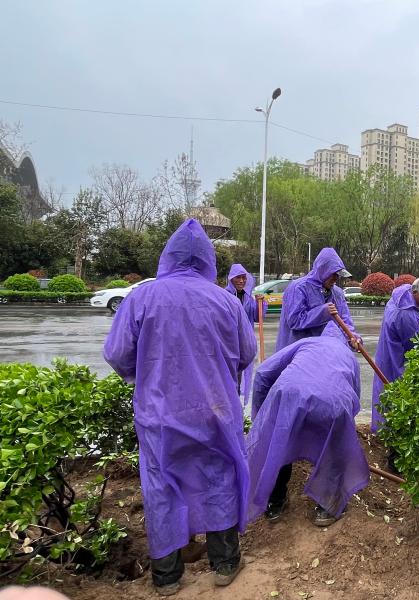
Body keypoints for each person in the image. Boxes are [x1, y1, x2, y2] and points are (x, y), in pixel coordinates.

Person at [103, 219, 256, 596]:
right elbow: (247, 353)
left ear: (166, 256)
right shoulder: (226, 301)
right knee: (218, 478)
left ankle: (167, 577)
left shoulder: (140, 298)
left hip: (160, 413)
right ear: (208, 260)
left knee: (162, 485)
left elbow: (118, 354)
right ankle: (224, 564)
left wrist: (144, 374)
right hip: (215, 411)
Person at [247, 321, 369, 527]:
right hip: (333, 402)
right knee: (335, 447)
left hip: (289, 393)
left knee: (280, 442)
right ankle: (327, 507)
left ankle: (275, 503)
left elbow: (262, 374)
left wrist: (262, 413)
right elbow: (353, 400)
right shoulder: (348, 355)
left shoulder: (308, 343)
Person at [371, 277, 419, 432]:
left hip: (386, 353)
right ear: (415, 292)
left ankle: (382, 429)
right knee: (396, 393)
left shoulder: (403, 292)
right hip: (398, 358)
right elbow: (415, 348)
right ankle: (389, 432)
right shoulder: (407, 315)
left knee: (384, 389)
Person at [275, 247, 358, 352]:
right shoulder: (298, 288)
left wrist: (352, 338)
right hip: (298, 353)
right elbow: (294, 321)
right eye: (333, 274)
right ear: (323, 270)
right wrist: (323, 312)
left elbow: (344, 320)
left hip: (324, 353)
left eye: (338, 275)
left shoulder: (337, 293)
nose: (336, 278)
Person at [225, 263, 259, 402]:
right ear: (231, 279)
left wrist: (260, 305)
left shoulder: (249, 299)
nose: (241, 281)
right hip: (228, 343)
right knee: (228, 377)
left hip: (243, 344)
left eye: (244, 278)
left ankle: (236, 404)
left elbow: (257, 317)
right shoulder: (224, 296)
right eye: (238, 277)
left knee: (239, 375)